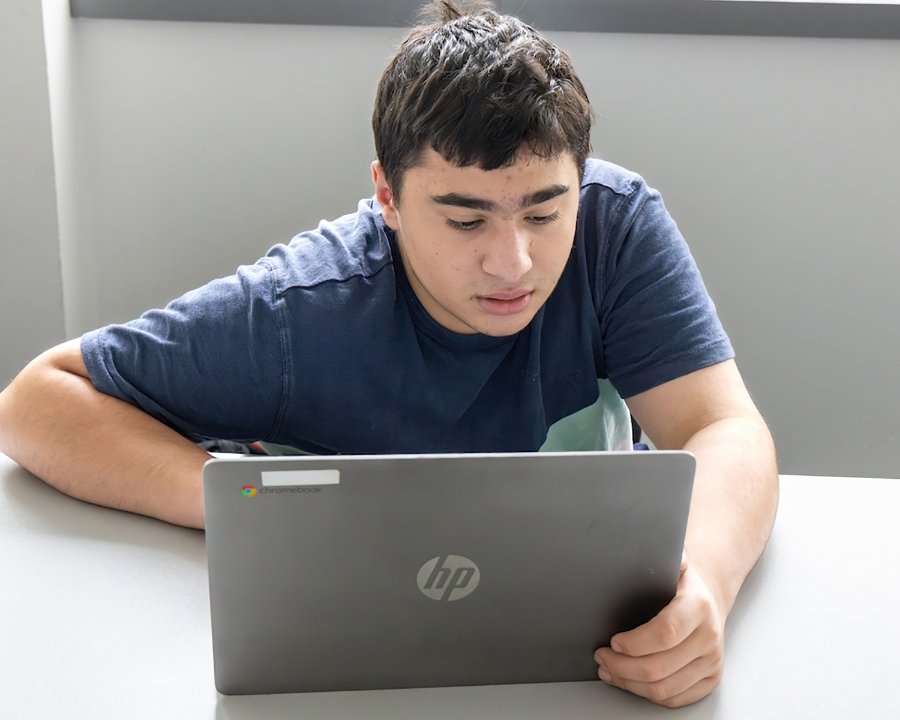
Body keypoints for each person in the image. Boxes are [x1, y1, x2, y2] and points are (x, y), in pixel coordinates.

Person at [0, 0, 778, 708]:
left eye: (545, 210)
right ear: (387, 196)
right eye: (465, 221)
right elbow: (35, 401)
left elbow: (725, 428)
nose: (513, 263)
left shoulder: (618, 229)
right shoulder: (296, 310)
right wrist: (232, 503)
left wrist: (706, 581)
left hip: (588, 662)